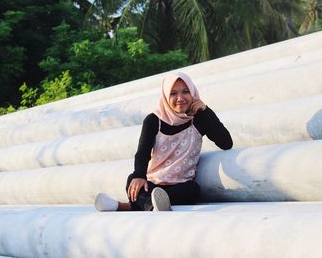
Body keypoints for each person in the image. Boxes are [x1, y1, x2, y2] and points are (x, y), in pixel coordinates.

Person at [95, 72, 233, 211]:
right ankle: (153, 204)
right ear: (166, 96)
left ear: (193, 94)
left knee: (193, 189)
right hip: (153, 184)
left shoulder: (199, 119)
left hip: (181, 185)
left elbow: (226, 143)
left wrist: (205, 110)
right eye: (173, 94)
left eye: (185, 92)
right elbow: (143, 152)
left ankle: (127, 206)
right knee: (133, 180)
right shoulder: (154, 121)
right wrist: (139, 176)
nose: (180, 98)